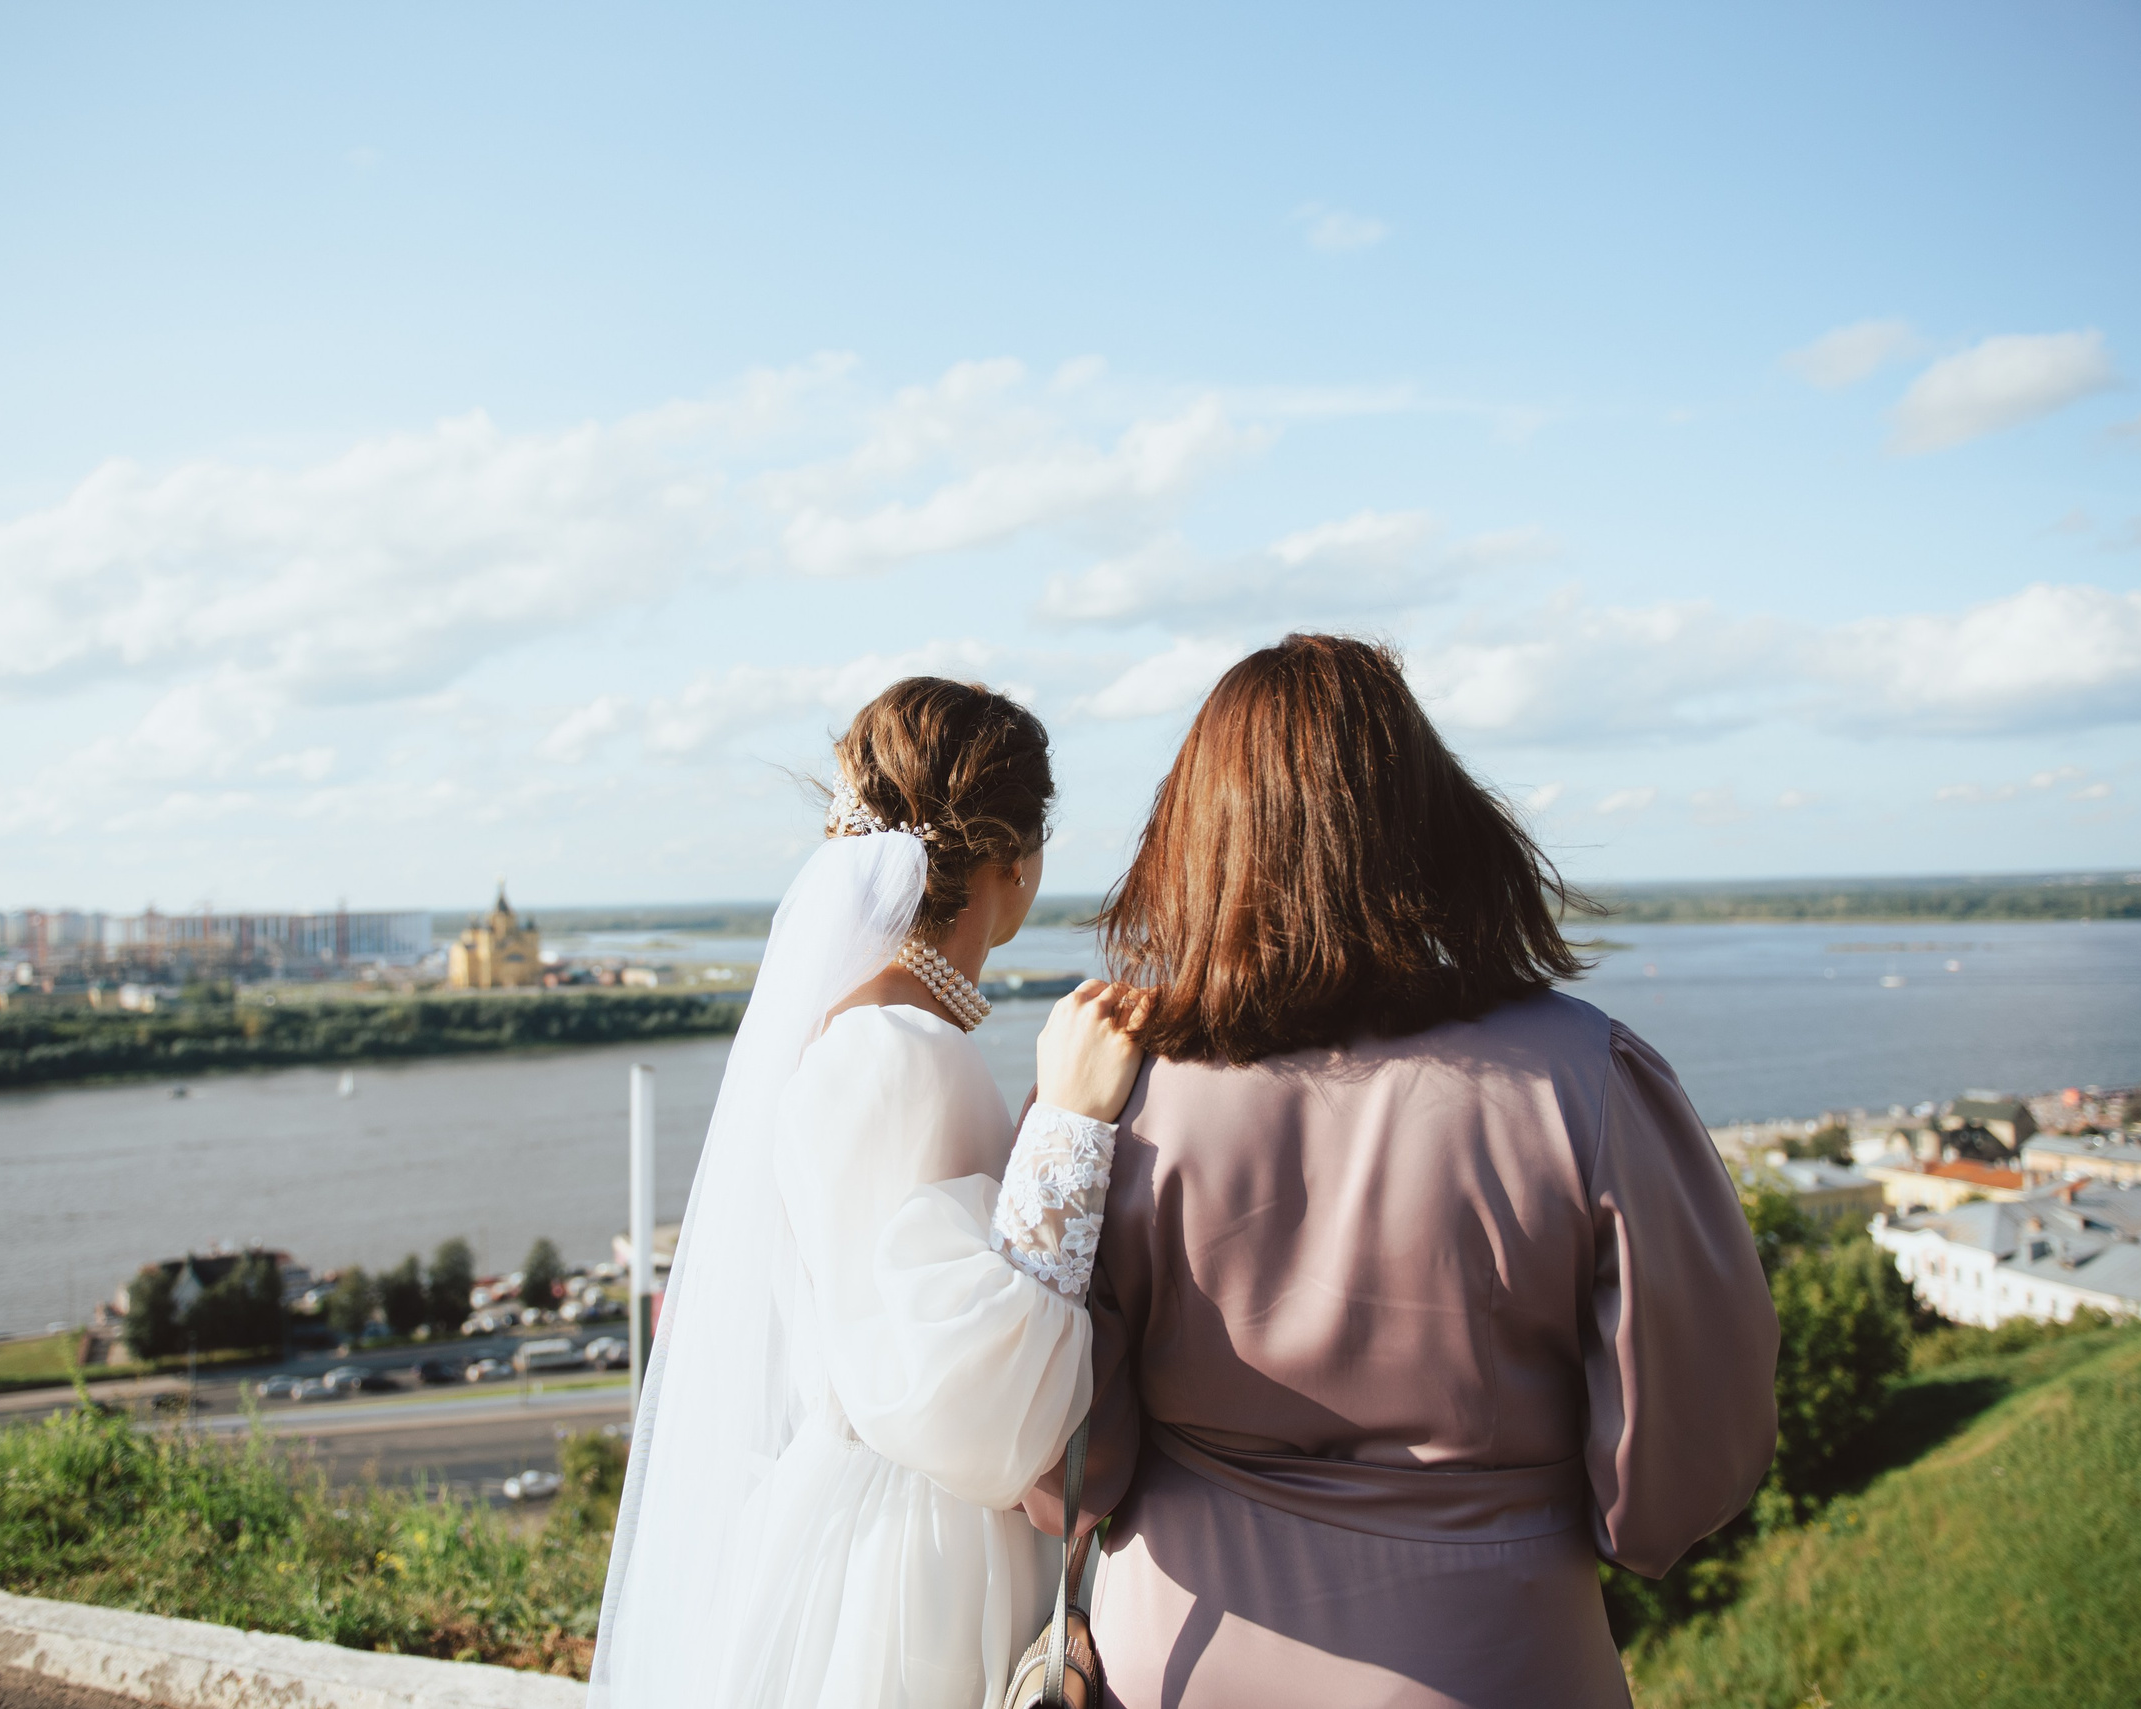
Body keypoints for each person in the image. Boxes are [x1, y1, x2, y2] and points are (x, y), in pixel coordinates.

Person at [1026, 635, 1779, 1708]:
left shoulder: (1109, 1088)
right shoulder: (1586, 1076)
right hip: (1503, 1656)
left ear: (1193, 838)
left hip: (1183, 1659)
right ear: (1438, 821)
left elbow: (1058, 1459)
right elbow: (1691, 1447)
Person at [592, 677, 1146, 1709]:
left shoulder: (862, 1031)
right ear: (1015, 864)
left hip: (854, 1508)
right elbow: (949, 1392)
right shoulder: (903, 1053)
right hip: (919, 1553)